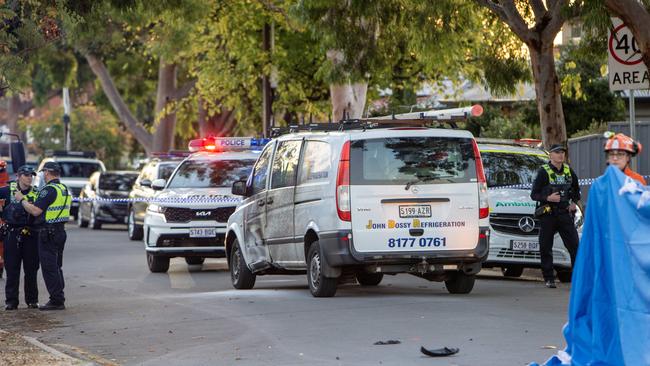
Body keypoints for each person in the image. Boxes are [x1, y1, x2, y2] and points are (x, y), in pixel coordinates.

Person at [16, 162, 71, 310]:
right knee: (57, 266)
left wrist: (21, 199)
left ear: (46, 172)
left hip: (48, 233)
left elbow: (35, 211)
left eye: (42, 172)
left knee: (49, 268)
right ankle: (59, 296)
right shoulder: (64, 188)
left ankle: (56, 300)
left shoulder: (49, 190)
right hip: (60, 231)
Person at [530, 144, 580, 288]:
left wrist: (573, 203)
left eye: (562, 152)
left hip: (565, 213)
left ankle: (577, 278)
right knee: (546, 246)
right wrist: (548, 198)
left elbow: (576, 191)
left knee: (575, 246)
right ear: (550, 155)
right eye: (557, 152)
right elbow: (534, 194)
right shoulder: (543, 172)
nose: (560, 155)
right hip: (548, 214)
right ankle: (549, 278)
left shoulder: (568, 171)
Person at [0, 165, 40, 310]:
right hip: (11, 234)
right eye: (26, 175)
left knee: (31, 269)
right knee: (12, 270)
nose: (29, 178)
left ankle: (32, 300)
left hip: (31, 234)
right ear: (18, 176)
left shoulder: (37, 192)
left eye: (31, 175)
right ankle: (11, 301)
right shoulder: (6, 190)